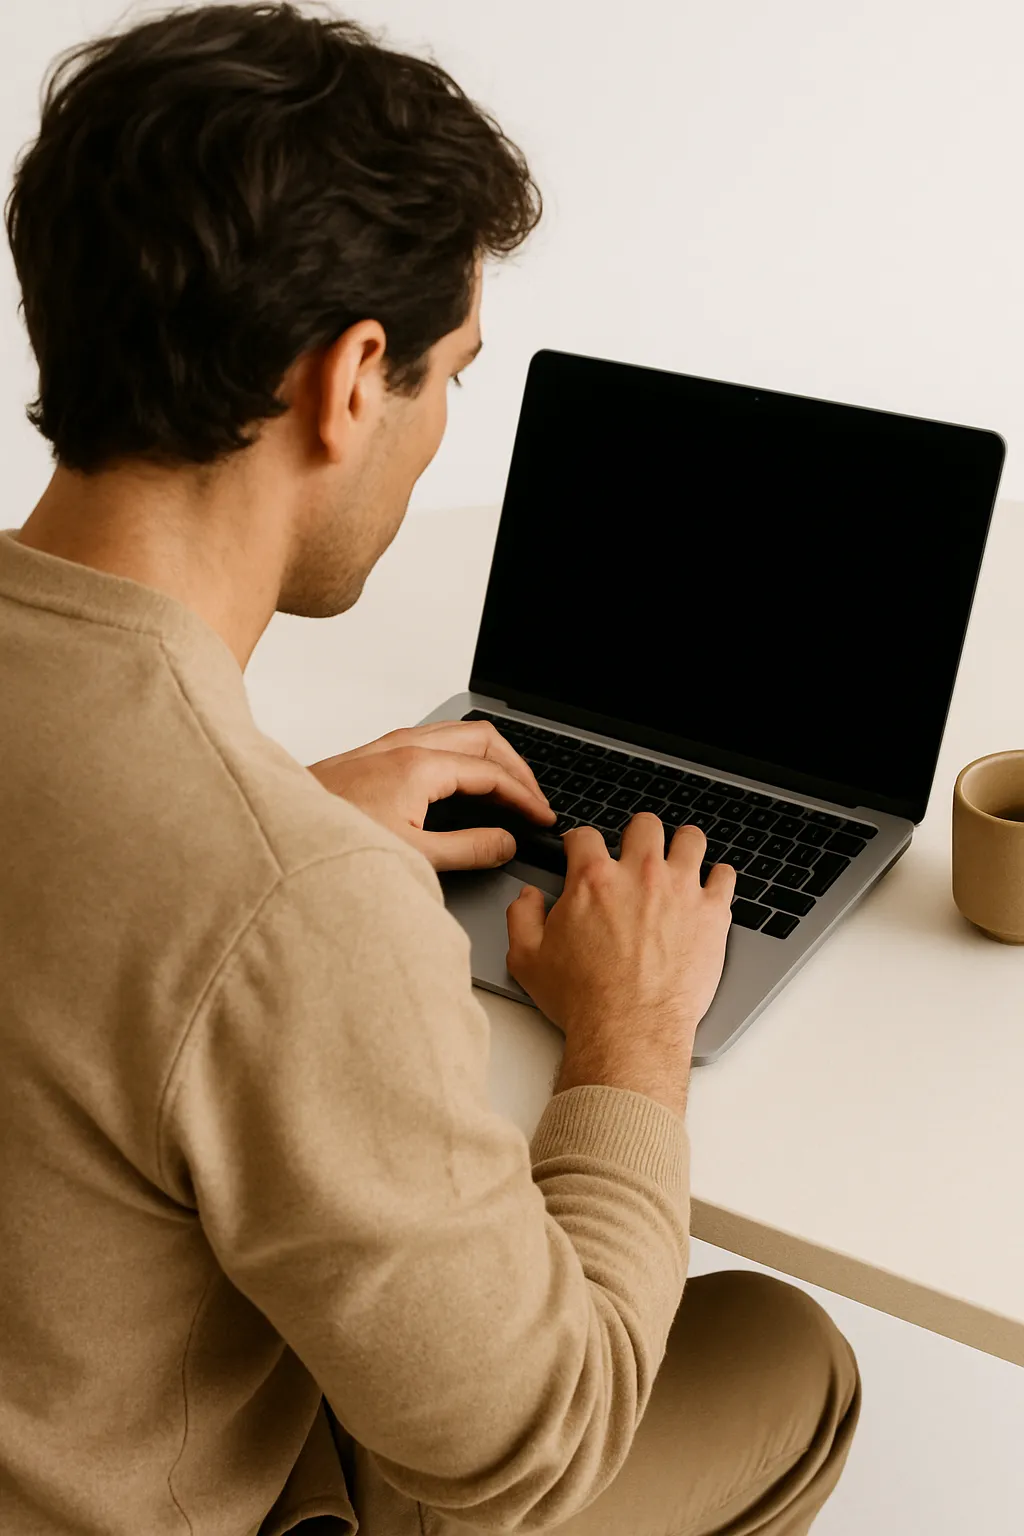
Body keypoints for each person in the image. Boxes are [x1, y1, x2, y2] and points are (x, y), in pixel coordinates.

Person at [0, 5, 860, 1533]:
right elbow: (542, 1447)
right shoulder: (295, 903)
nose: (442, 427)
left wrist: (272, 833)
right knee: (790, 1357)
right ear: (352, 378)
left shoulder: (266, 864)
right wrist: (635, 1037)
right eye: (452, 374)